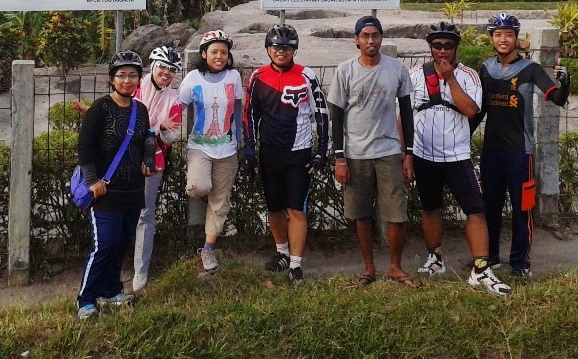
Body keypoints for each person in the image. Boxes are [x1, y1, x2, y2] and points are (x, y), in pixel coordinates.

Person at [406, 22, 511, 296]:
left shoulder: (468, 76)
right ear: (430, 47)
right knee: (430, 207)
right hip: (423, 154)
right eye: (437, 45)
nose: (442, 51)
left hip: (456, 155)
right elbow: (402, 117)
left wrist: (450, 79)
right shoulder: (415, 75)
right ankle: (435, 257)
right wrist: (405, 154)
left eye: (448, 46)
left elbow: (470, 110)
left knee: (475, 210)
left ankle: (481, 268)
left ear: (456, 48)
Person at [472, 13, 570, 279]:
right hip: (492, 150)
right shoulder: (485, 69)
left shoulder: (531, 69)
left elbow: (556, 98)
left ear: (517, 38)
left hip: (520, 152)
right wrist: (462, 136)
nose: (503, 39)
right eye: (498, 34)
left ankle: (520, 263)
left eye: (509, 34)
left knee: (522, 208)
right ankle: (490, 257)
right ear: (491, 38)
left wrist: (566, 82)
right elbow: (479, 111)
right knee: (489, 207)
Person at [328, 15, 420, 288]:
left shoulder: (397, 69)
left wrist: (409, 154)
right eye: (365, 36)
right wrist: (339, 157)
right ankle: (368, 268)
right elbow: (337, 117)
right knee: (360, 213)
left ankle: (395, 266)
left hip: (389, 151)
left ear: (381, 38)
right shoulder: (345, 71)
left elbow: (406, 112)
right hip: (355, 154)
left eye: (375, 35)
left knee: (396, 213)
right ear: (356, 40)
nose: (371, 40)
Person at [244, 24, 330, 285]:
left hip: (299, 153)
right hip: (269, 153)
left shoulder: (307, 75)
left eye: (287, 47)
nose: (281, 51)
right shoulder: (257, 76)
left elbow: (322, 114)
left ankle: (295, 265)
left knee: (296, 209)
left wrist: (321, 152)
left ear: (295, 49)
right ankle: (281, 252)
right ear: (268, 49)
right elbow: (249, 116)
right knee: (274, 208)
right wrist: (250, 152)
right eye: (276, 47)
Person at [75, 51, 152, 320]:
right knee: (104, 245)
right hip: (105, 191)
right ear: (111, 80)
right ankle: (86, 299)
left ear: (139, 80)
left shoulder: (141, 111)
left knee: (120, 244)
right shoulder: (100, 108)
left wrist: (146, 161)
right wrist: (92, 180)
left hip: (132, 190)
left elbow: (144, 143)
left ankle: (111, 291)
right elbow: (85, 148)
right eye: (121, 75)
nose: (127, 80)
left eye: (132, 75)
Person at [178, 29, 244, 274]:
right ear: (204, 54)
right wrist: (165, 125)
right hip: (200, 147)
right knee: (198, 187)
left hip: (227, 148)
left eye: (224, 52)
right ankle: (210, 198)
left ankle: (207, 248)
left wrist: (239, 139)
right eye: (214, 52)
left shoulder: (234, 76)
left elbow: (237, 109)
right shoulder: (193, 78)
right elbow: (180, 105)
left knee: (220, 202)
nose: (219, 56)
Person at [132, 45, 184, 292]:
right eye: (162, 66)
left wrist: (161, 129)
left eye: (172, 69)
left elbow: (171, 137)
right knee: (119, 211)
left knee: (145, 214)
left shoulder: (173, 101)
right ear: (152, 66)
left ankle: (140, 270)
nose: (166, 72)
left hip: (153, 162)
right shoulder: (133, 88)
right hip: (123, 160)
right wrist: (155, 127)